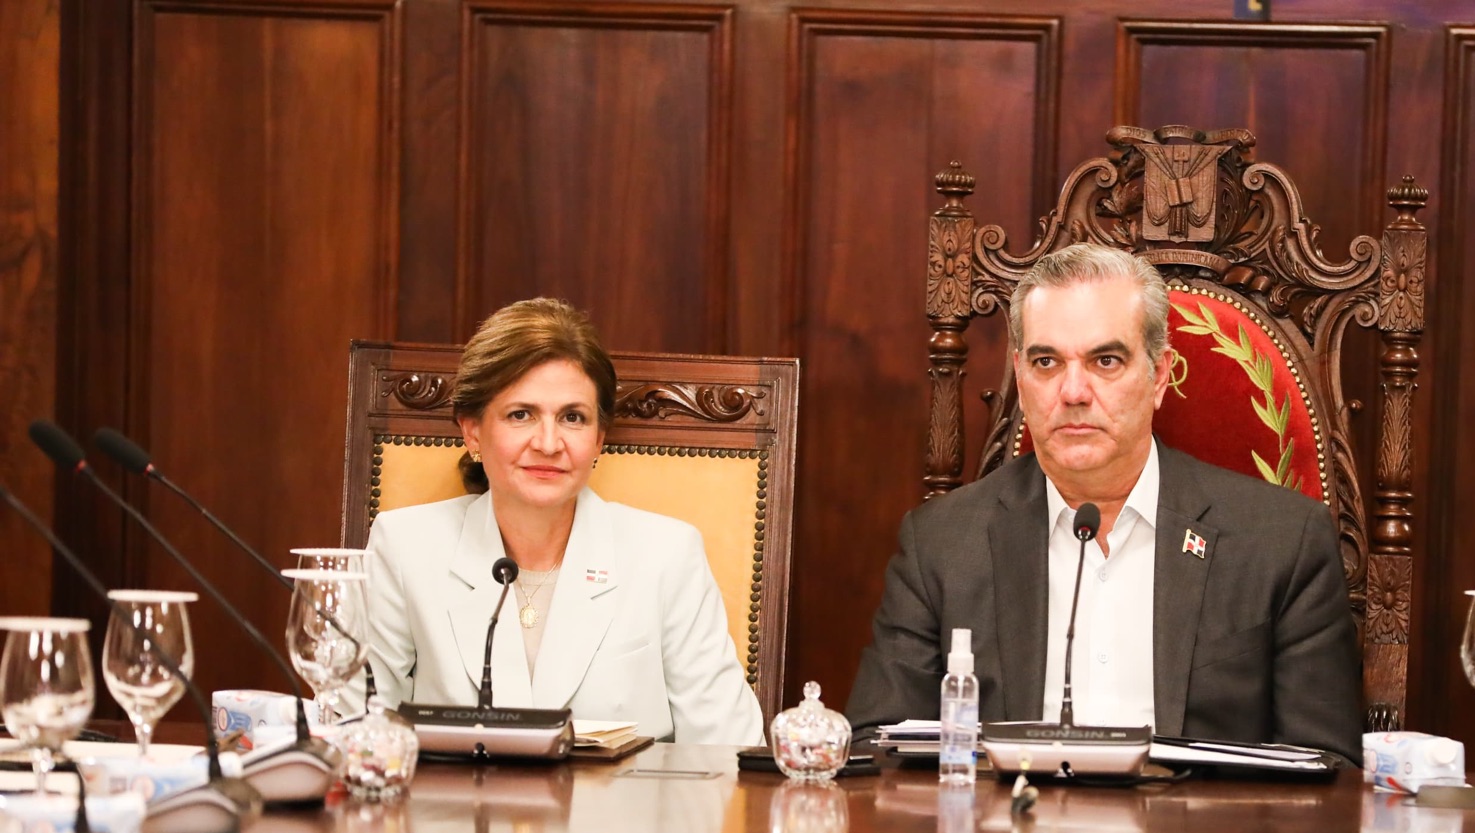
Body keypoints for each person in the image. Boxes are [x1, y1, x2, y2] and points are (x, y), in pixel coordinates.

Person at [845, 243, 1364, 765]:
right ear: (1021, 378)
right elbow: (879, 754)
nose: (1073, 391)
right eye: (1046, 362)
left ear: (1159, 375)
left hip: (1200, 818)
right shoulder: (942, 544)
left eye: (1106, 360)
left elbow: (1328, 767)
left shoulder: (1281, 541)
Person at [362, 298, 764, 744]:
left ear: (598, 439)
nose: (549, 443)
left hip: (630, 792)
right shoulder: (404, 546)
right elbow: (357, 732)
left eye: (573, 418)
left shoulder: (666, 556)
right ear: (472, 431)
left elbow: (730, 749)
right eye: (521, 415)